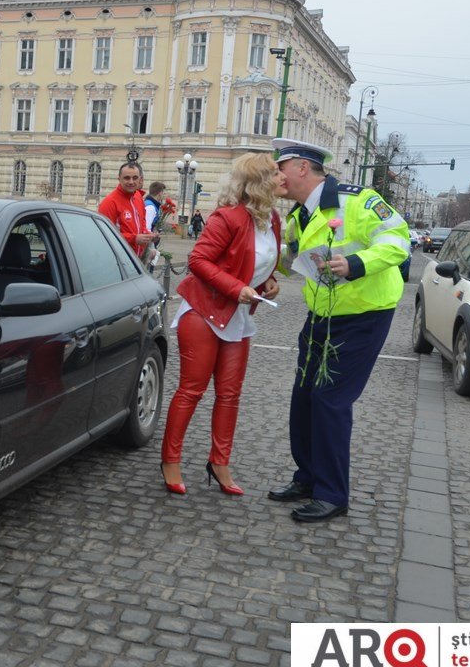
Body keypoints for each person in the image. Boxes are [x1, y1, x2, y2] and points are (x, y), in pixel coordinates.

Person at [267, 138, 410, 523]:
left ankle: (332, 494)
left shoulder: (358, 200)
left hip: (363, 315)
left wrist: (357, 262)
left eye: (281, 167)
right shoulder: (300, 213)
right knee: (304, 396)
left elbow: (399, 241)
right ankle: (308, 477)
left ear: (301, 168)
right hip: (321, 317)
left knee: (329, 400)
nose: (276, 175)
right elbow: (292, 260)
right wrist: (264, 272)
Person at [160, 153, 284, 497]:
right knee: (192, 390)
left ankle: (220, 462)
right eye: (276, 173)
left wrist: (268, 281)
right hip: (203, 311)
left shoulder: (271, 219)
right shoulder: (227, 217)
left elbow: (254, 263)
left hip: (237, 316)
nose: (282, 178)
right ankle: (170, 460)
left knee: (230, 395)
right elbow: (198, 259)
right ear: (260, 181)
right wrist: (236, 288)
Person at [97, 162, 155, 259]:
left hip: (136, 260)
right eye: (127, 178)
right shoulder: (109, 203)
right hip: (117, 260)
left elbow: (142, 225)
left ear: (140, 179)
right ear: (119, 179)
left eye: (135, 178)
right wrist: (134, 238)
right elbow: (105, 234)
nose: (131, 182)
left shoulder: (138, 197)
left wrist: (149, 236)